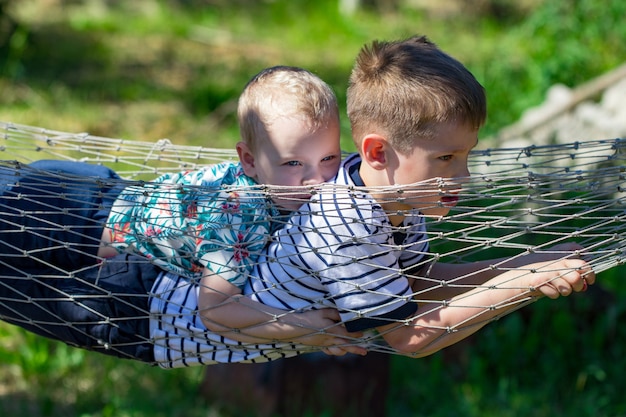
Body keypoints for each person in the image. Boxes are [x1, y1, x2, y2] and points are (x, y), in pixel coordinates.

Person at [240, 35, 596, 357]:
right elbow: (409, 338)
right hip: (229, 336)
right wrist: (525, 282)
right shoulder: (345, 224)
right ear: (378, 153)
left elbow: (420, 280)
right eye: (445, 158)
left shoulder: (398, 194)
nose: (463, 175)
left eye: (465, 155)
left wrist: (527, 263)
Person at [0, 65, 365, 362]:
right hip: (63, 220)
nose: (316, 179)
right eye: (294, 163)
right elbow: (217, 310)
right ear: (249, 160)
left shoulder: (300, 184)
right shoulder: (241, 216)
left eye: (328, 157)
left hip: (97, 192)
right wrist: (303, 327)